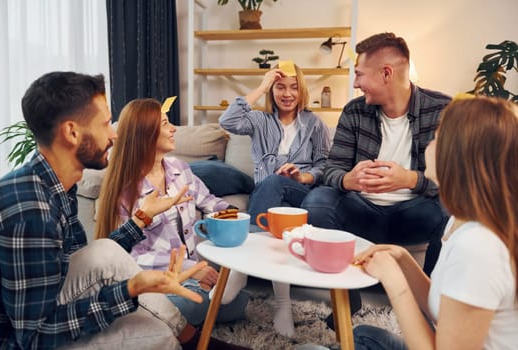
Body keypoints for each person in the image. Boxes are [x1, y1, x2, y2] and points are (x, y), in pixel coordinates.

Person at [0, 71, 248, 349]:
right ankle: (188, 338)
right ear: (72, 132)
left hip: (53, 299)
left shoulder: (57, 186)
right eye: (105, 124)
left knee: (110, 260)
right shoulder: (31, 210)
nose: (115, 135)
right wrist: (131, 290)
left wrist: (141, 219)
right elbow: (34, 336)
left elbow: (96, 261)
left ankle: (189, 336)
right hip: (20, 340)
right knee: (160, 335)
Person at [351, 96, 518, 349]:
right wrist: (403, 260)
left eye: (437, 139)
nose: (429, 146)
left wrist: (393, 280)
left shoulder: (479, 246)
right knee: (362, 336)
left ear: (459, 156)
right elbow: (447, 307)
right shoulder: (462, 221)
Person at [301, 32, 451, 275]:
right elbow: (331, 170)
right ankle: (347, 299)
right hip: (362, 213)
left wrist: (409, 179)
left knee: (452, 210)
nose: (355, 84)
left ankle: (433, 302)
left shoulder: (442, 110)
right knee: (317, 202)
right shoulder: (354, 112)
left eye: (359, 74)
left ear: (386, 73)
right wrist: (347, 180)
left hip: (415, 215)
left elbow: (454, 181)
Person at [95, 98, 249, 327]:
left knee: (241, 302)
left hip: (187, 278)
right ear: (145, 134)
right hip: (152, 283)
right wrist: (192, 270)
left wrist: (234, 216)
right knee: (194, 305)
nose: (173, 128)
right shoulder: (125, 190)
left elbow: (208, 201)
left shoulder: (179, 168)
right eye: (165, 123)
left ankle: (207, 300)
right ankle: (199, 303)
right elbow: (129, 257)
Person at [218, 63, 331, 336]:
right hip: (269, 195)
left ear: (301, 90)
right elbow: (227, 121)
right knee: (275, 203)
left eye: (294, 87)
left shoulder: (315, 124)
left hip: (300, 190)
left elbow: (325, 165)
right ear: (273, 89)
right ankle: (283, 306)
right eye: (281, 86)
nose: (287, 93)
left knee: (276, 185)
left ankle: (241, 266)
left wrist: (301, 177)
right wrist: (262, 86)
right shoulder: (259, 121)